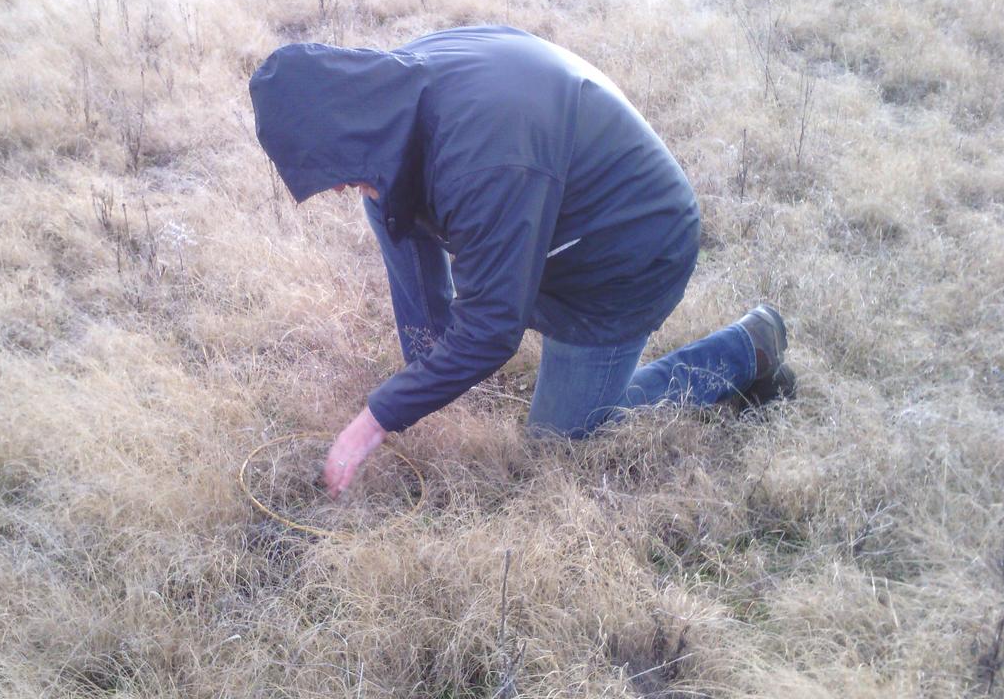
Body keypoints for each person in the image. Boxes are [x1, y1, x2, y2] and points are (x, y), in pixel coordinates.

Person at [248, 26, 795, 498]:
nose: (338, 185)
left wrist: (375, 420)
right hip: (551, 216)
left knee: (559, 443)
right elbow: (398, 206)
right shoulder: (393, 92)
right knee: (383, 197)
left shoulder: (483, 165)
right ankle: (431, 358)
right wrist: (425, 371)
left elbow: (491, 330)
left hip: (629, 253)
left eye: (334, 169)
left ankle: (746, 350)